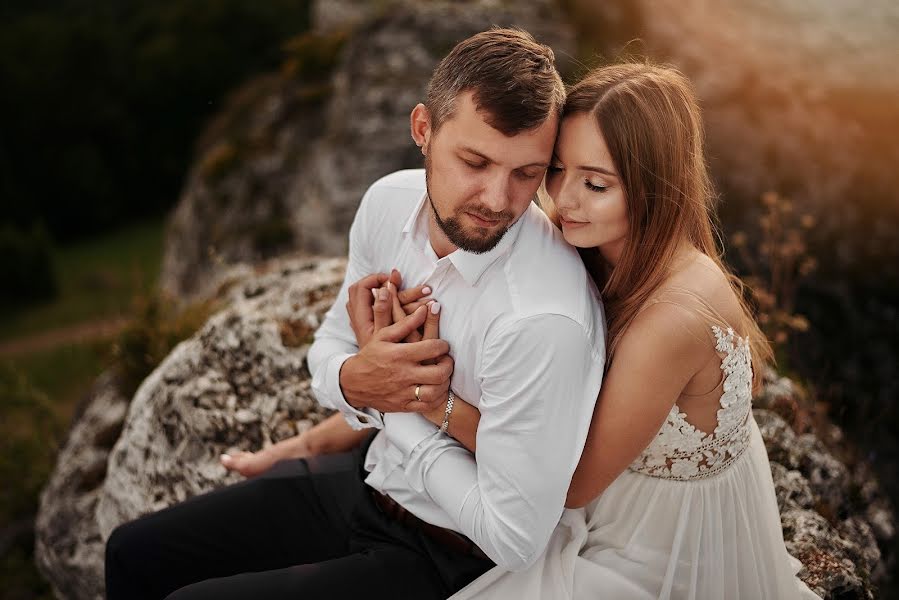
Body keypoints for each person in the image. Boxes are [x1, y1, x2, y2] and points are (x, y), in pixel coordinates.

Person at [274, 62, 823, 598]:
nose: (563, 200)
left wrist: (433, 402)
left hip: (649, 537)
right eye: (556, 170)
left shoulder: (673, 316)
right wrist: (321, 430)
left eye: (596, 184)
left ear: (655, 187)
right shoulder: (603, 250)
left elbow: (576, 481)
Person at [104, 27, 606, 600]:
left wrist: (402, 403)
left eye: (526, 174)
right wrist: (354, 378)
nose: (497, 199)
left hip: (449, 554)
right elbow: (331, 346)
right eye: (475, 161)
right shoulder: (386, 202)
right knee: (132, 553)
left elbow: (516, 538)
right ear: (423, 129)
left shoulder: (543, 319)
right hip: (367, 479)